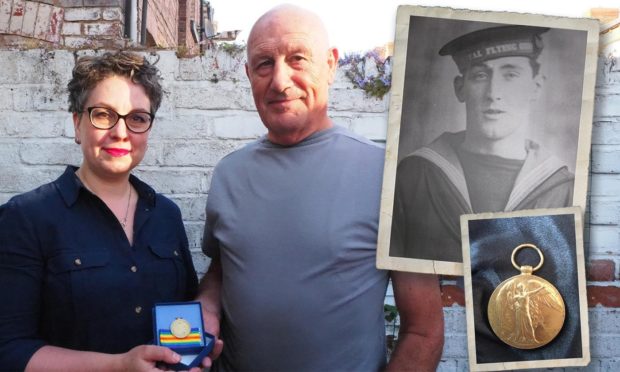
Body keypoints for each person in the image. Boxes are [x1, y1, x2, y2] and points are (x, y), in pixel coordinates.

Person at [195, 4, 444, 371]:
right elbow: (224, 266)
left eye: (297, 59)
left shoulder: (390, 178)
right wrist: (208, 303)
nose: (280, 81)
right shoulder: (228, 174)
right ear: (248, 74)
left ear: (330, 64)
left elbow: (424, 331)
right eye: (264, 63)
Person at [0, 51, 199, 371]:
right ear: (78, 123)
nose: (121, 132)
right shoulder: (26, 218)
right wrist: (119, 365)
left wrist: (195, 349)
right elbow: (9, 351)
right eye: (104, 114)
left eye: (137, 118)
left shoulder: (166, 215)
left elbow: (182, 315)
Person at [389, 25, 574, 263]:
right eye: (480, 75)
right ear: (460, 88)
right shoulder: (413, 175)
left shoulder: (563, 189)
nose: (493, 92)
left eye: (510, 75)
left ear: (535, 88)